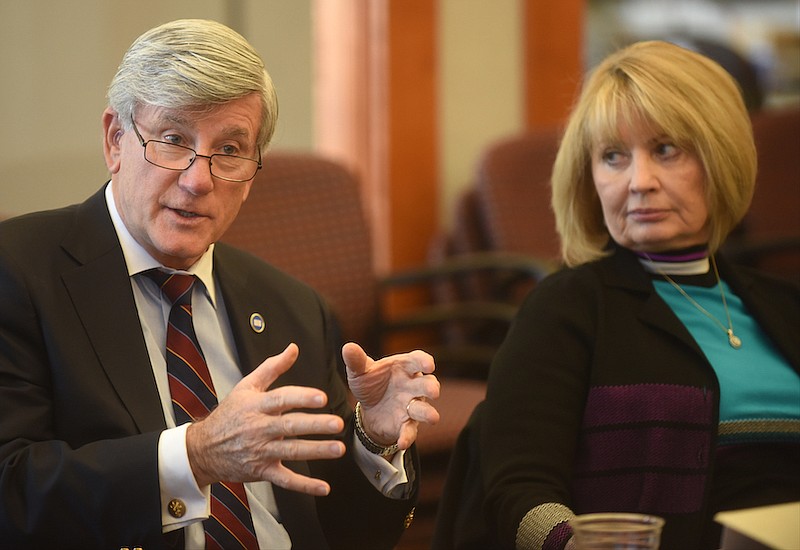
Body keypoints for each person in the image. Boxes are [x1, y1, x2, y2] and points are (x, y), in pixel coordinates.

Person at [0, 19, 440, 550]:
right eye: (172, 139)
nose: (198, 179)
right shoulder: (19, 271)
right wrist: (197, 454)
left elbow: (344, 534)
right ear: (116, 139)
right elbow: (12, 492)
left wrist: (373, 440)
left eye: (229, 150)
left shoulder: (295, 308)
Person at [434, 41, 799, 550]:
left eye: (666, 150)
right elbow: (517, 490)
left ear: (722, 158)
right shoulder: (566, 308)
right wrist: (573, 541)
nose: (639, 182)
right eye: (613, 157)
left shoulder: (784, 305)